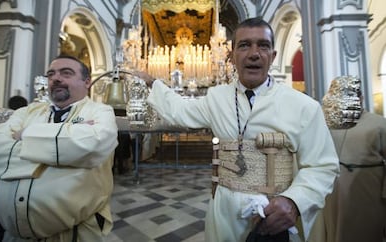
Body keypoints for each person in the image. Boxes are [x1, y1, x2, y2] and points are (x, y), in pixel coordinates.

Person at [136, 17, 339, 242]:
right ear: (231, 56)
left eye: (263, 45)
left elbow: (323, 165)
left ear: (273, 56)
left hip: (275, 215)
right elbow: (180, 110)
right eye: (244, 45)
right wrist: (151, 82)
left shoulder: (304, 107)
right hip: (224, 214)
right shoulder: (216, 98)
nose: (254, 53)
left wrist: (293, 201)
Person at [0, 55, 118, 241]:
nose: (56, 78)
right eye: (51, 74)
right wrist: (64, 153)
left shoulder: (100, 112)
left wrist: (25, 135)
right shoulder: (27, 112)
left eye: (66, 73)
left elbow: (94, 144)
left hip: (74, 234)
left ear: (87, 82)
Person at [319, 76, 386, 242]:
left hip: (367, 189)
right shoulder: (324, 124)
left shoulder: (379, 124)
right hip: (330, 192)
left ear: (361, 98)